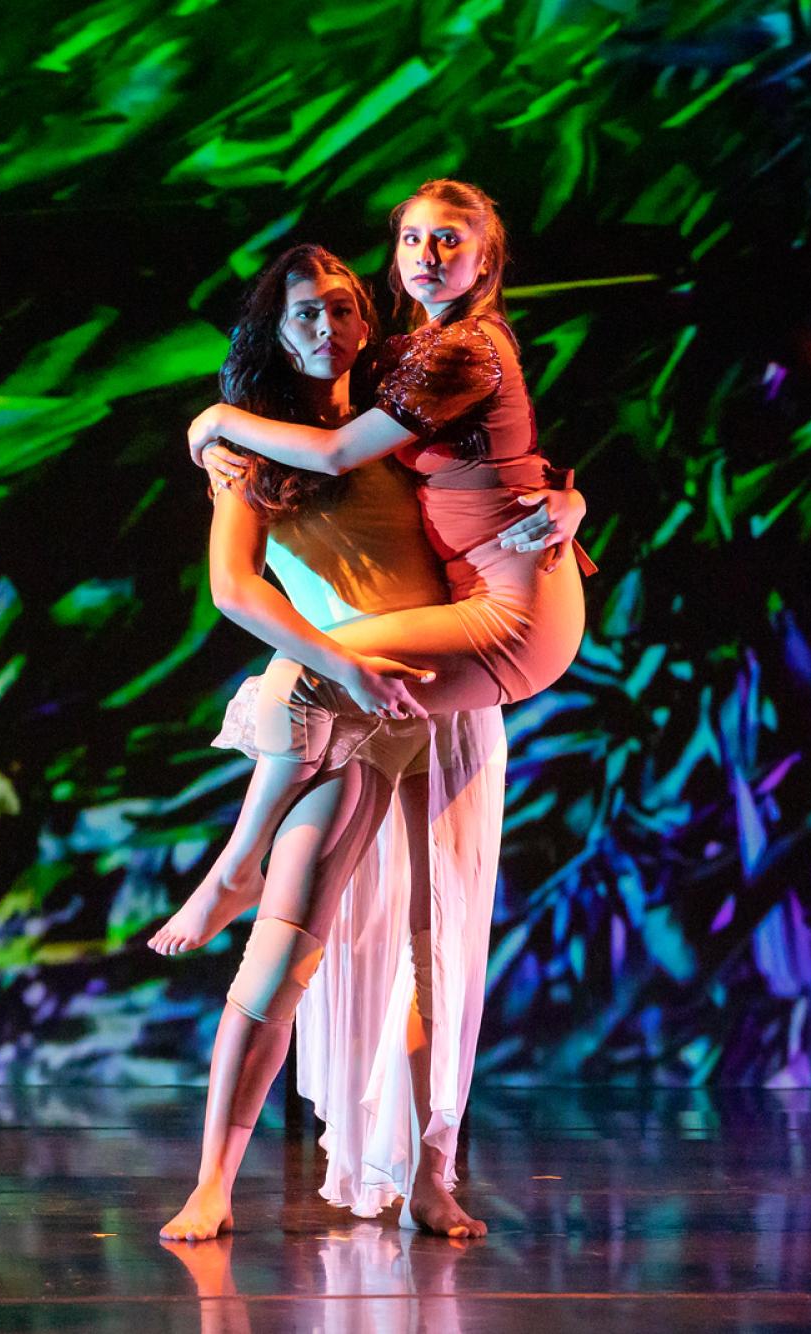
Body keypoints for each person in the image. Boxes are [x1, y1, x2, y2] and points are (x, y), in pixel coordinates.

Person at [155, 244, 582, 1241]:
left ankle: (431, 1174)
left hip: (437, 697)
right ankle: (214, 1177)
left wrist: (566, 503)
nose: (328, 327)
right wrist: (337, 661)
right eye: (304, 311)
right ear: (269, 328)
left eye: (344, 308)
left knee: (436, 957)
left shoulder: (395, 418)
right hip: (338, 702)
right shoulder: (249, 453)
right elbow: (234, 589)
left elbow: (504, 482)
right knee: (279, 953)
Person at [166, 178, 592, 963]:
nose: (428, 256)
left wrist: (215, 419)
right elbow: (504, 465)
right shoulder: (401, 359)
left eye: (450, 239)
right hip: (436, 634)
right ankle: (243, 885)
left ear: (486, 255)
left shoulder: (461, 348)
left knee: (307, 684)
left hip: (496, 621)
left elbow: (334, 453)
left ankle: (233, 871)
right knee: (360, 930)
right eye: (412, 239)